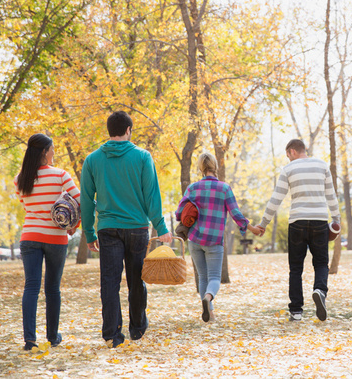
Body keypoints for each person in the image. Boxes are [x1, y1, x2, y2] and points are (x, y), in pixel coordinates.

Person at [80, 111, 172, 348]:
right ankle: (138, 328)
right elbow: (151, 195)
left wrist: (89, 233)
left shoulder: (92, 160)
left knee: (109, 282)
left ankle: (112, 334)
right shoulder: (142, 157)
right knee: (136, 279)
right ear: (129, 130)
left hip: (108, 229)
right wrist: (161, 227)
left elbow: (87, 200)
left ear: (109, 130)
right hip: (137, 227)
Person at [254, 139, 341, 321]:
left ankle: (296, 312)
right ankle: (320, 290)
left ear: (292, 151)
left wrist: (263, 223)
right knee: (321, 263)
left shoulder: (288, 170)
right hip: (319, 221)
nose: (288, 160)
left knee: (295, 268)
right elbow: (331, 195)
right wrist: (336, 219)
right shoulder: (323, 166)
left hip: (297, 222)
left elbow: (276, 198)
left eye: (288, 156)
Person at [175, 152, 260, 322]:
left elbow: (179, 213)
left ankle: (210, 313)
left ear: (201, 167)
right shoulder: (224, 188)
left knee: (202, 276)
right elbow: (235, 213)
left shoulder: (193, 188)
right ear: (215, 166)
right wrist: (251, 228)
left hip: (195, 240)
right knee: (214, 278)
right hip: (214, 241)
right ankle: (208, 298)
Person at [15, 133, 81, 351]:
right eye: (52, 149)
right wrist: (74, 224)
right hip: (55, 237)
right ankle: (53, 337)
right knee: (52, 288)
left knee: (31, 287)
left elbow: (27, 208)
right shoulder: (61, 175)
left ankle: (29, 340)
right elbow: (79, 202)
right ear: (44, 152)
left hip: (29, 236)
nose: (54, 152)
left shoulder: (20, 179)